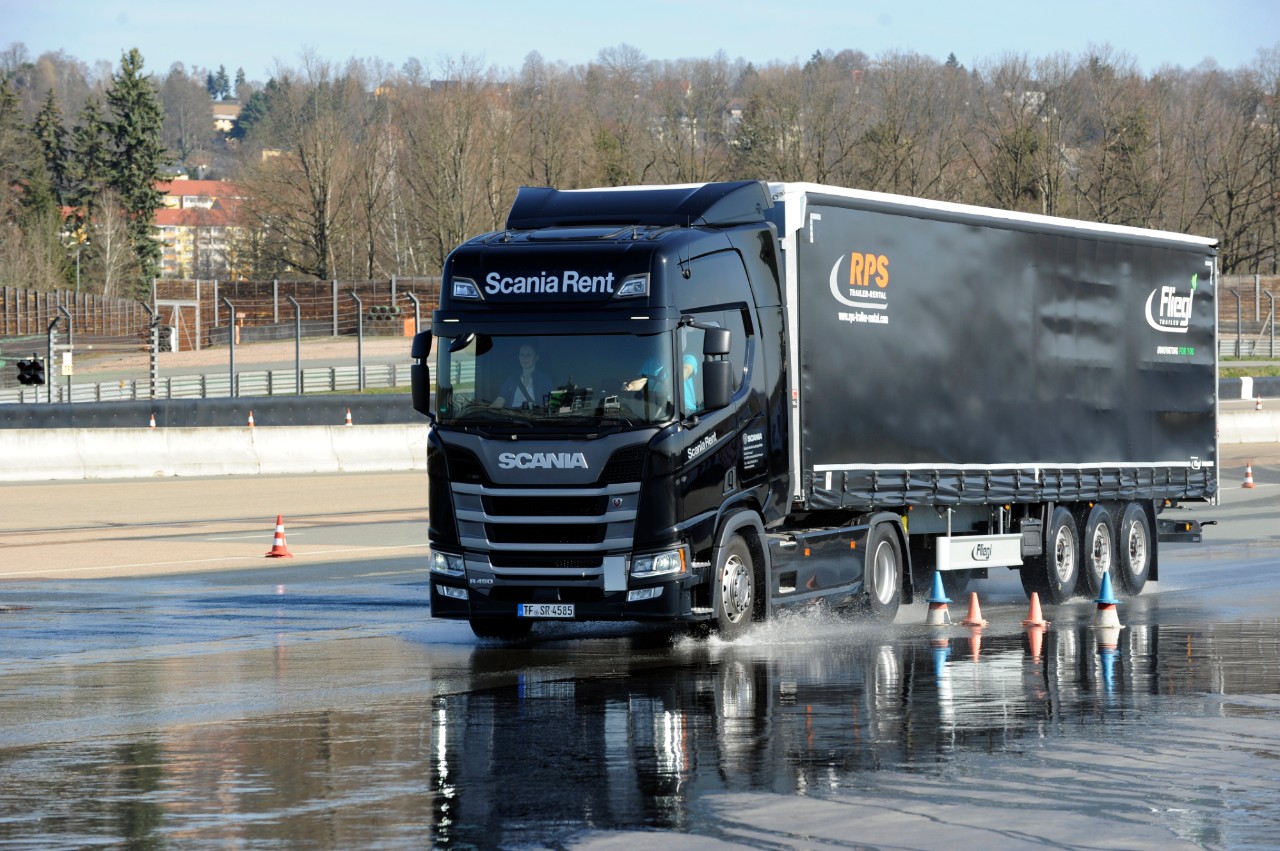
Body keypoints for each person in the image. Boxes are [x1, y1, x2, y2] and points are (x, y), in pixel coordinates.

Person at [493, 344, 553, 410]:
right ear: (518, 357)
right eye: (522, 354)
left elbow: (549, 406)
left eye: (528, 354)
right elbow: (498, 402)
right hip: (511, 419)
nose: (524, 358)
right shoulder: (512, 379)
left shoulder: (544, 379)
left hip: (535, 419)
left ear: (536, 358)